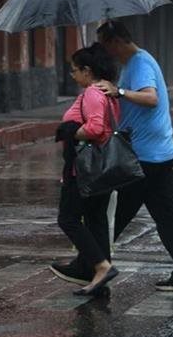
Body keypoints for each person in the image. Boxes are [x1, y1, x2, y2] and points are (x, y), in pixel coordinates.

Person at [97, 20, 173, 291]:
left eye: (106, 45)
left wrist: (118, 91)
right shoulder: (135, 64)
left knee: (110, 212)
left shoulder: (140, 63)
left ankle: (92, 265)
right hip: (158, 153)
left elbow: (150, 98)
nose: (106, 52)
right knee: (169, 215)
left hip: (144, 157)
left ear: (117, 41)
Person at [51, 43, 121, 296]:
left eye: (74, 70)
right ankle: (96, 275)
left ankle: (101, 266)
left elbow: (95, 129)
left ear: (87, 71)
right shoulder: (108, 94)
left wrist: (68, 132)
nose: (72, 75)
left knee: (68, 219)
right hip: (103, 170)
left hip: (83, 170)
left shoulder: (93, 93)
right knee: (96, 221)